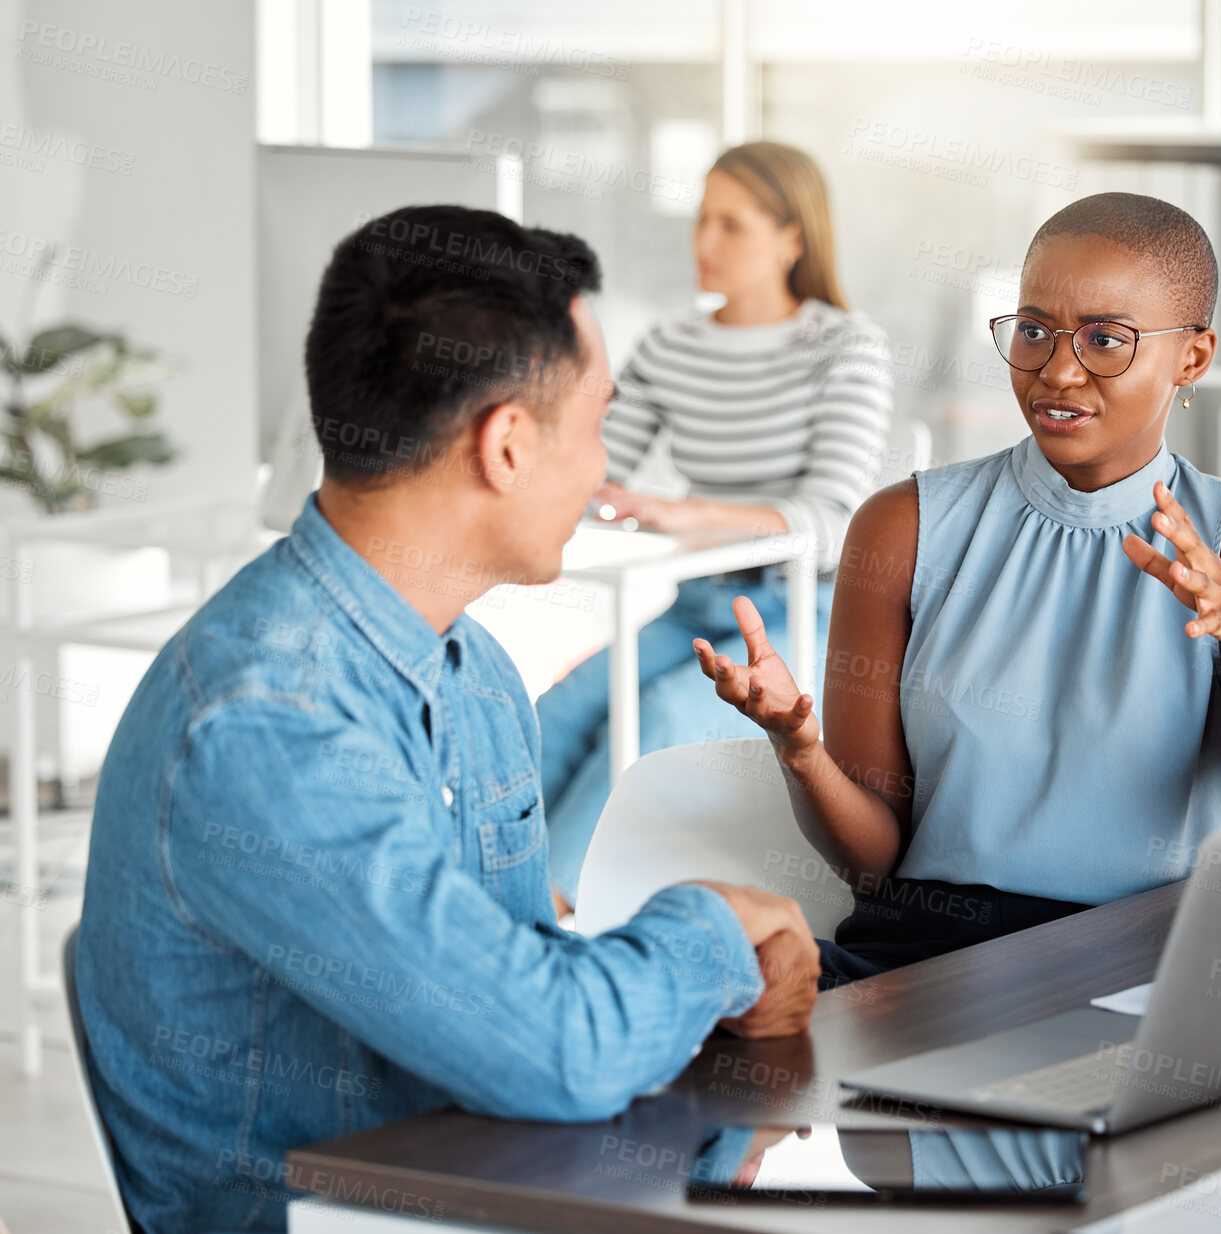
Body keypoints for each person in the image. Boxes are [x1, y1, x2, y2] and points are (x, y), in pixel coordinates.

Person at [74, 204, 819, 1234]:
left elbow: (517, 1008)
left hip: (498, 1190)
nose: (604, 473)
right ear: (506, 445)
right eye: (597, 427)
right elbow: (556, 1046)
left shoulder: (475, 671)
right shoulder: (263, 724)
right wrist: (719, 930)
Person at [692, 192, 1221, 986]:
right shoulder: (903, 527)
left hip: (1146, 972)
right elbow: (872, 864)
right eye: (1033, 330)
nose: (1058, 370)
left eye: (1107, 340)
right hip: (926, 963)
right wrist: (800, 751)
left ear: (1193, 359)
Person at [537, 141, 893, 907]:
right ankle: (494, 894)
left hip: (806, 613)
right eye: (701, 220)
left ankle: (559, 910)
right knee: (565, 704)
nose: (704, 243)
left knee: (659, 711)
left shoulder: (844, 347)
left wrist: (688, 511)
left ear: (792, 238)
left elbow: (833, 523)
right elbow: (597, 464)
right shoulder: (671, 345)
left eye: (731, 225)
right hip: (701, 602)